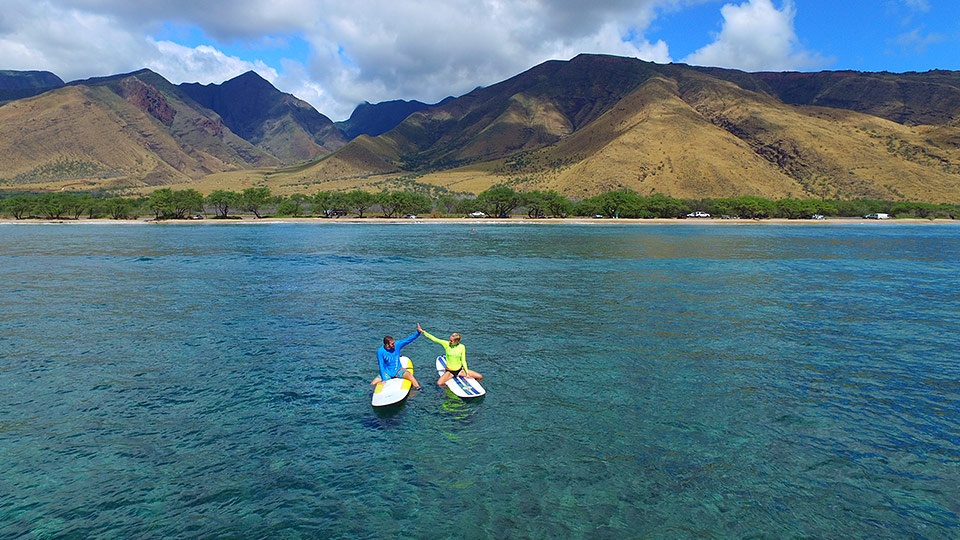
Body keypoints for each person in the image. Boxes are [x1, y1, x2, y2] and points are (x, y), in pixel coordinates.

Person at [418, 323, 482, 386]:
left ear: (456, 341)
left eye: (451, 341)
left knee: (479, 376)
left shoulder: (462, 347)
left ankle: (475, 385)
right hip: (450, 372)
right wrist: (423, 332)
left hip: (460, 371)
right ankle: (446, 391)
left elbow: (463, 360)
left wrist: (467, 373)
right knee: (439, 383)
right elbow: (435, 339)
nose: (449, 341)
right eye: (449, 339)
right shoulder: (446, 344)